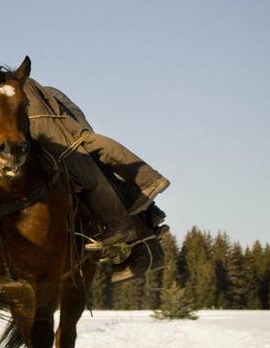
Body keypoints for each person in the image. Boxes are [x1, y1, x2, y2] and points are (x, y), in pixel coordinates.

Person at [24, 78, 170, 251]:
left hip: (48, 103)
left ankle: (138, 218)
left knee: (84, 156)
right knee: (88, 155)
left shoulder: (12, 90)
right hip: (49, 99)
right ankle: (150, 212)